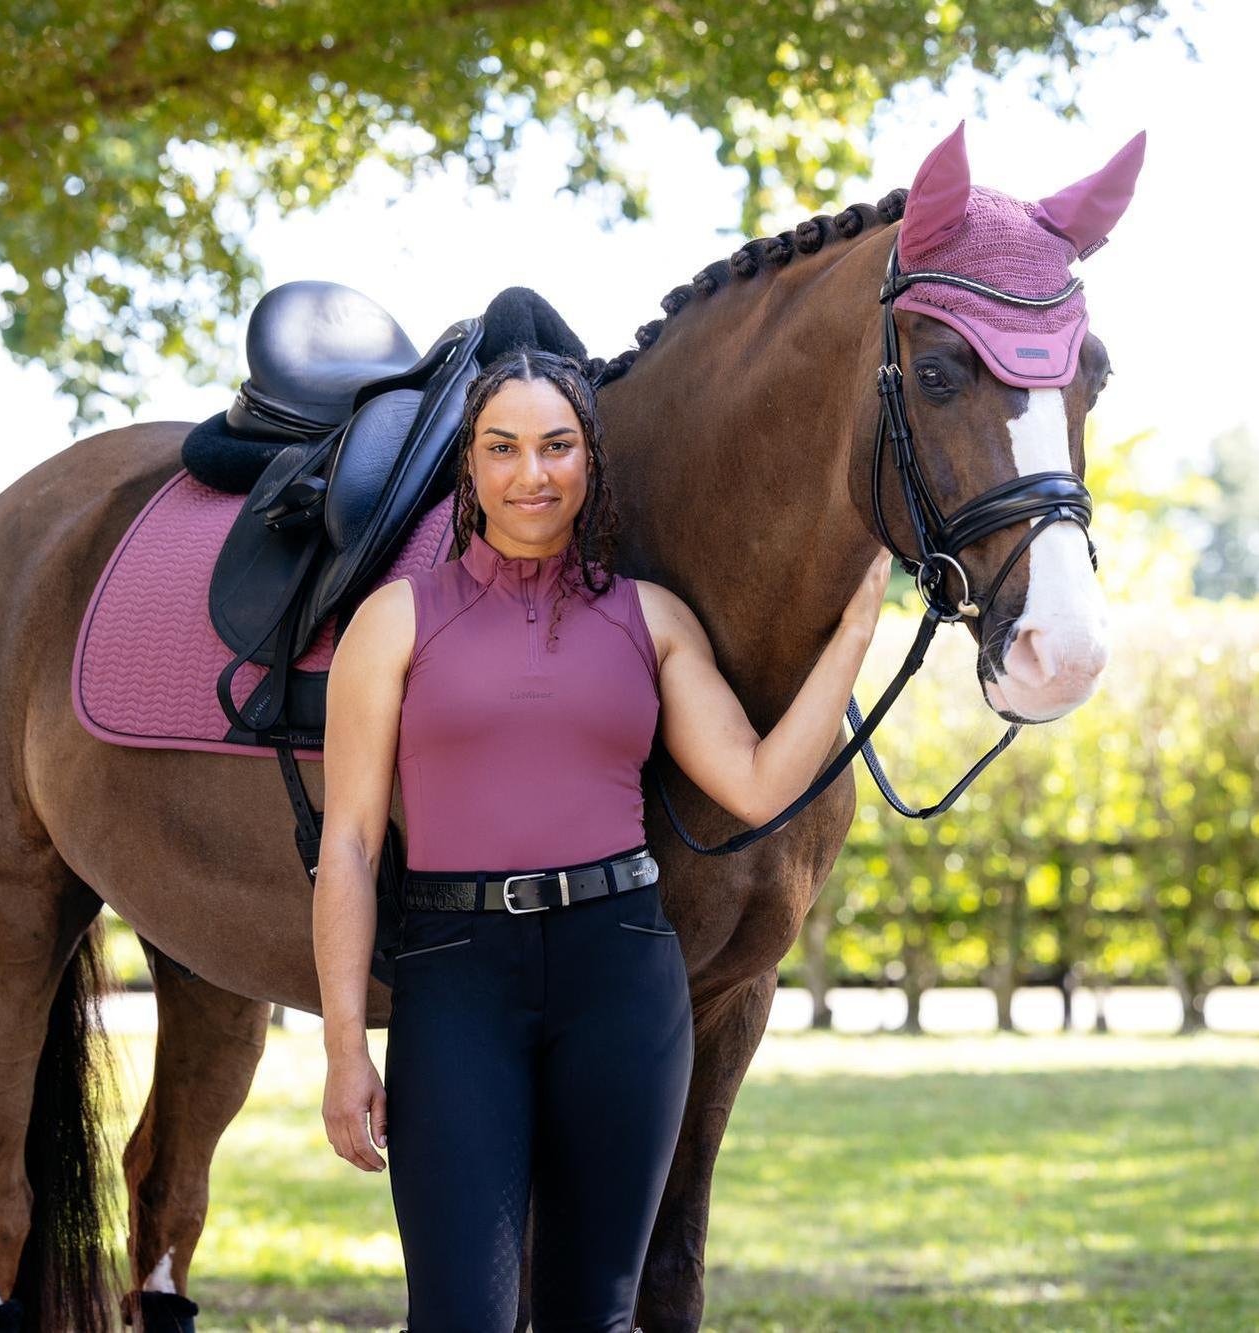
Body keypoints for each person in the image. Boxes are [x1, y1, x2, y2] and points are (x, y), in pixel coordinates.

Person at [312, 347, 890, 1332]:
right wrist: (339, 1050)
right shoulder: (394, 621)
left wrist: (852, 639)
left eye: (556, 446)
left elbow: (756, 785)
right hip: (456, 979)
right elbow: (351, 848)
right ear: (469, 465)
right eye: (503, 448)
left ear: (589, 462)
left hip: (619, 975)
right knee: (458, 1318)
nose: (530, 475)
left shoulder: (649, 620)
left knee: (596, 1315)